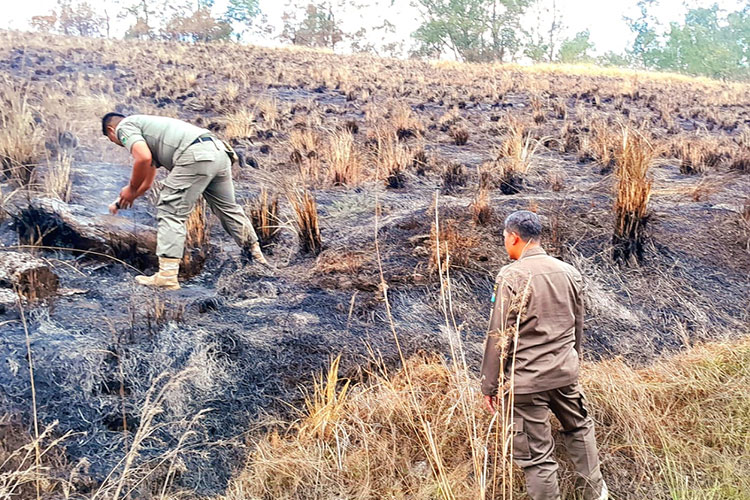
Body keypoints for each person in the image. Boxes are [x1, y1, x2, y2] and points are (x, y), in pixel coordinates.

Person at [480, 210, 607, 500]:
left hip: (525, 384)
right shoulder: (568, 272)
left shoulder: (511, 276)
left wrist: (490, 385)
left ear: (514, 237)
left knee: (537, 458)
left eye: (504, 238)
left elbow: (499, 335)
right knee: (580, 428)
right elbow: (578, 325)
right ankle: (594, 495)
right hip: (564, 374)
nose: (504, 243)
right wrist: (572, 362)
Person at [102, 113, 268, 290]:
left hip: (196, 155)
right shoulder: (147, 125)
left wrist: (131, 188)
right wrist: (126, 198)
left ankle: (167, 277)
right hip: (218, 152)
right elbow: (148, 177)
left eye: (113, 140)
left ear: (111, 131)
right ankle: (257, 257)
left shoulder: (123, 127)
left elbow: (143, 158)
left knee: (170, 211)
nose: (118, 143)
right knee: (228, 208)